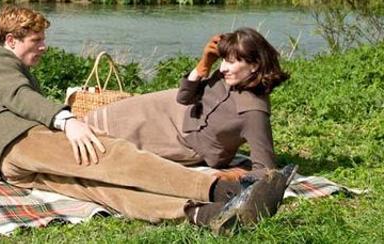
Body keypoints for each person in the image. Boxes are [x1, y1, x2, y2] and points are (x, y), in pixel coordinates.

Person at [0, 6, 293, 232]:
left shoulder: (10, 65)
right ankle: (221, 192)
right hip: (20, 143)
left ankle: (201, 214)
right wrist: (67, 121)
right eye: (36, 41)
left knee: (101, 188)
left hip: (16, 166)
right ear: (11, 41)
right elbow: (19, 97)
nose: (44, 47)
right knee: (111, 157)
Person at [82, 27, 290, 181]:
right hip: (170, 108)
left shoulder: (253, 112)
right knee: (97, 120)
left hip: (183, 141)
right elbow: (184, 98)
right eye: (223, 60)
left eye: (232, 62)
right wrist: (206, 62)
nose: (224, 68)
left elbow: (265, 169)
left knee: (109, 141)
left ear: (254, 66)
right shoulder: (228, 77)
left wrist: (232, 175)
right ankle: (67, 127)